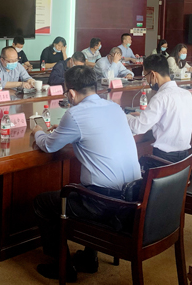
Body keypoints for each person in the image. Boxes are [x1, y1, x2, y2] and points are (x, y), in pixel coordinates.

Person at [32, 66, 141, 281]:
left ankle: (63, 266)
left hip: (103, 203)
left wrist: (38, 132)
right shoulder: (114, 107)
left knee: (42, 203)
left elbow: (49, 146)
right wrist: (64, 130)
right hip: (132, 196)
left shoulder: (74, 114)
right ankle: (90, 258)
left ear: (71, 93)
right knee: (87, 185)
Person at [127, 55, 192, 165]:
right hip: (184, 160)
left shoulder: (160, 97)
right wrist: (143, 116)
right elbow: (169, 118)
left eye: (146, 76)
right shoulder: (186, 94)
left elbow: (138, 127)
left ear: (153, 74)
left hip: (163, 161)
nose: (147, 81)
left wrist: (125, 117)